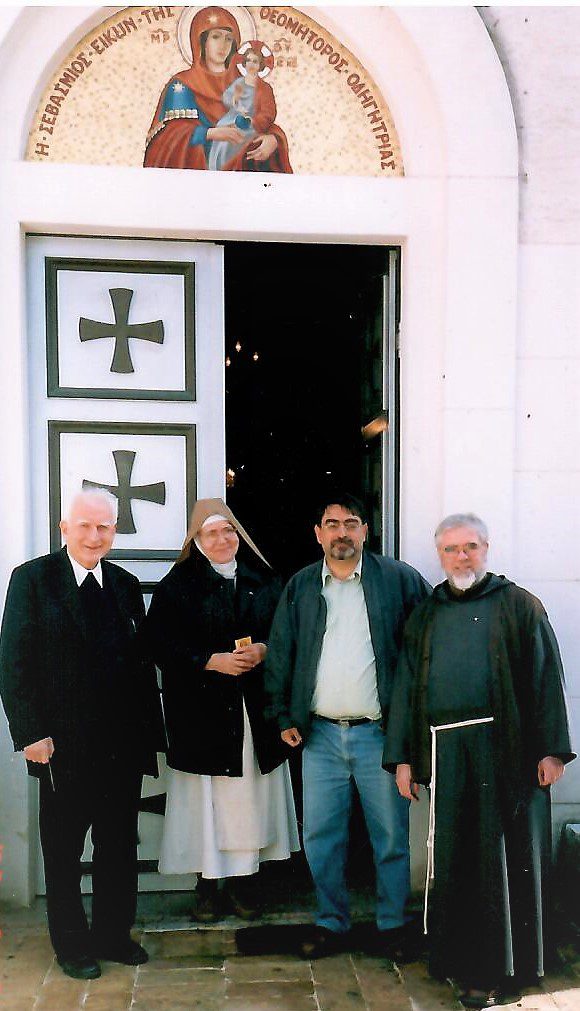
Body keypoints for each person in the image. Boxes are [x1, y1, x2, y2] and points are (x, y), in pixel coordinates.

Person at [384, 513, 575, 1008]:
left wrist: (552, 751)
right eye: (451, 549)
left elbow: (546, 679)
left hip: (508, 755)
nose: (461, 556)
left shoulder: (519, 606)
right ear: (439, 554)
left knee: (505, 864)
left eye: (470, 547)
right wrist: (405, 759)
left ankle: (508, 965)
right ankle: (460, 959)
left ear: (486, 549)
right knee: (458, 863)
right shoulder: (425, 614)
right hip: (447, 755)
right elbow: (405, 689)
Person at [0, 489, 164, 980]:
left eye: (105, 527)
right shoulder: (32, 580)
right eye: (86, 526)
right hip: (60, 747)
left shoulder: (125, 584)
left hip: (120, 744)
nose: (96, 536)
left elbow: (138, 664)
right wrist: (29, 732)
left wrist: (147, 734)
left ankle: (113, 935)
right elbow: (14, 663)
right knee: (64, 849)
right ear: (64, 527)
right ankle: (71, 945)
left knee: (119, 845)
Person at [264, 492, 430, 959]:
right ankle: (331, 923)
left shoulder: (399, 581)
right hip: (318, 736)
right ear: (318, 534)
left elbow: (424, 655)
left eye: (351, 523)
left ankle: (393, 924)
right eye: (331, 523)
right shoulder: (300, 586)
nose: (342, 532)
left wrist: (412, 732)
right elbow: (281, 654)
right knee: (321, 835)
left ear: (365, 532)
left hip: (380, 735)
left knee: (392, 838)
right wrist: (282, 715)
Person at [142, 498, 299, 921]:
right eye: (211, 533)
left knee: (248, 800)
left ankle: (246, 884)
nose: (222, 539)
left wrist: (265, 649)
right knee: (206, 804)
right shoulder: (177, 585)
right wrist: (211, 661)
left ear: (239, 535)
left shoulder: (264, 580)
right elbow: (158, 644)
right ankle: (208, 887)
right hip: (203, 716)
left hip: (252, 714)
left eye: (228, 531)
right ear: (197, 540)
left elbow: (287, 633)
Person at [143, 7, 292, 173]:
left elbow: (263, 120)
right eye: (215, 37)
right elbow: (168, 138)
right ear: (200, 41)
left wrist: (274, 140)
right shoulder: (182, 84)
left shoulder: (248, 83)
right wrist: (212, 133)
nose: (223, 45)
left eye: (229, 39)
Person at [208, 45, 275, 172]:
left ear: (260, 65)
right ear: (244, 63)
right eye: (248, 60)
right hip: (232, 118)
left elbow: (268, 112)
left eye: (255, 61)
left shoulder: (265, 88)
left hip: (250, 124)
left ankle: (229, 170)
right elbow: (226, 97)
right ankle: (215, 170)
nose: (251, 64)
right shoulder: (239, 83)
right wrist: (233, 99)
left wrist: (251, 121)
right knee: (220, 132)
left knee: (232, 140)